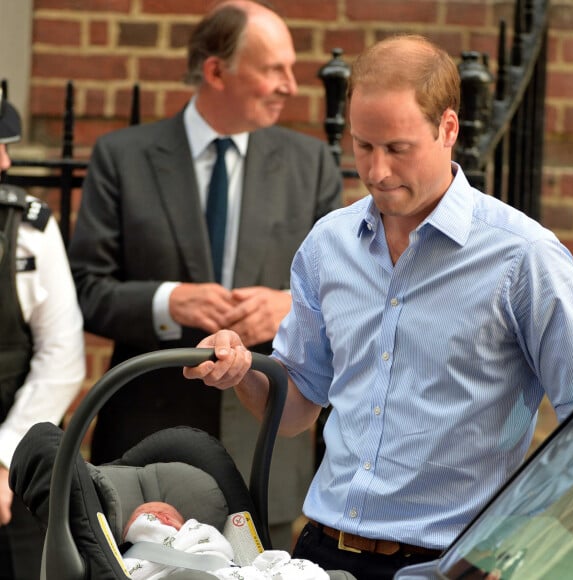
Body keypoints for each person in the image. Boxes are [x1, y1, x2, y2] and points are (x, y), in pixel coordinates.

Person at [182, 34, 573, 580]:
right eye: (363, 145)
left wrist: (520, 552)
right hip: (320, 554)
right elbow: (297, 407)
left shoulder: (524, 257)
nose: (377, 171)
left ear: (448, 129)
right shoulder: (329, 244)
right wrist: (242, 372)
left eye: (397, 148)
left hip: (452, 565)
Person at [67, 0, 343, 550]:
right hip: (146, 448)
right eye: (273, 70)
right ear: (217, 71)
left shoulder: (311, 164)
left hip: (262, 449)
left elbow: (346, 294)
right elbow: (85, 289)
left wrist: (287, 304)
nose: (291, 85)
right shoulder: (123, 156)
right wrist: (170, 302)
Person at [0, 93, 85, 578]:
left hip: (13, 471)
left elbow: (62, 358)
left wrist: (4, 459)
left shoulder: (27, 229)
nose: (6, 160)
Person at [121, 501, 330, 579]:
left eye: (162, 513)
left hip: (216, 570)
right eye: (151, 514)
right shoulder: (130, 551)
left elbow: (220, 550)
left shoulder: (193, 532)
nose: (158, 517)